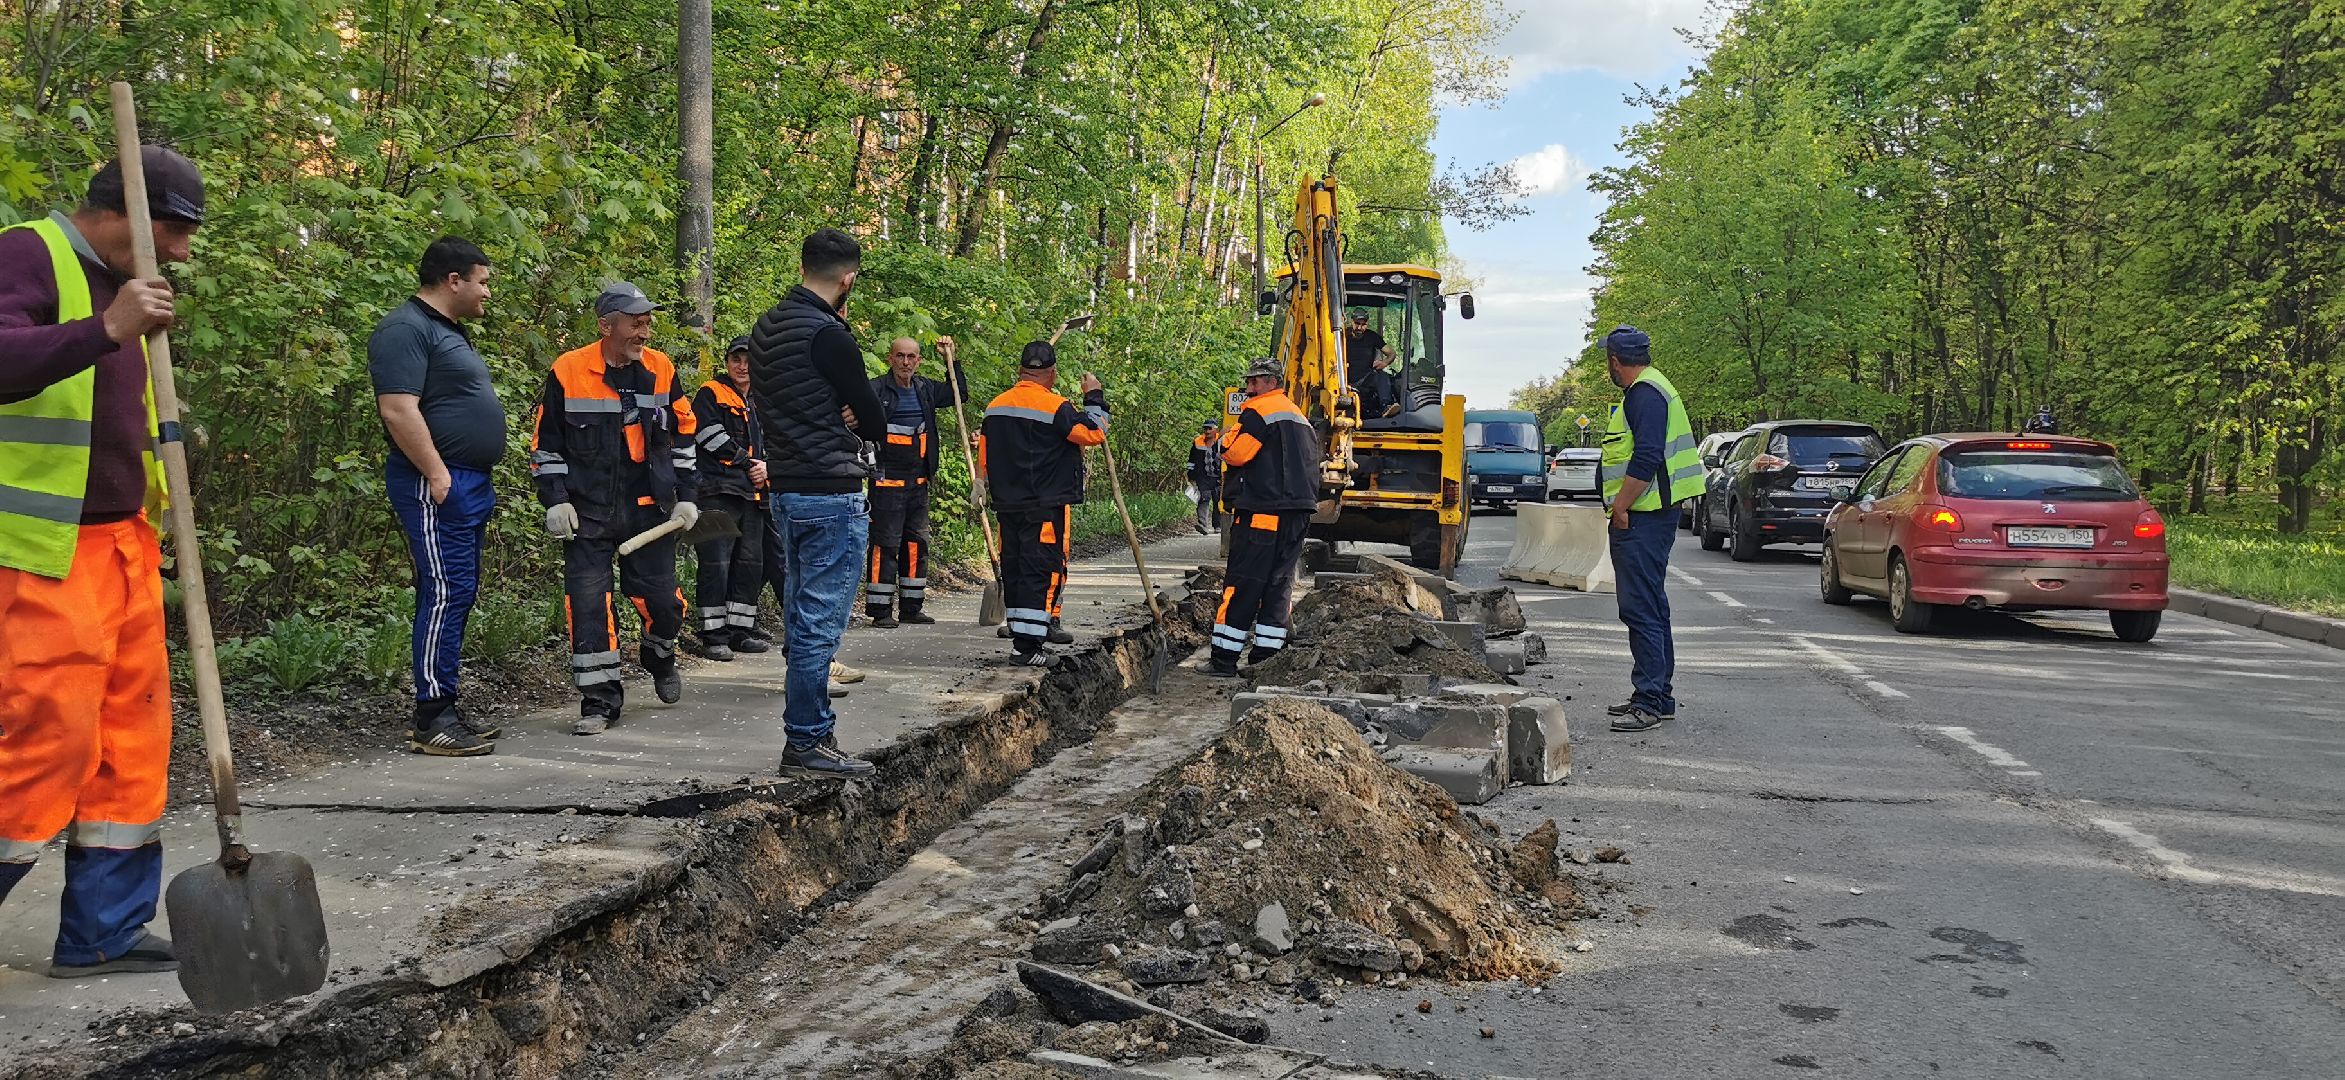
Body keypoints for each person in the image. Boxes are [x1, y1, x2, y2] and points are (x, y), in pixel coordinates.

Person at [0, 146, 202, 978]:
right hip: (40, 550)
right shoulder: (24, 254)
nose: (183, 251)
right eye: (173, 230)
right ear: (122, 211)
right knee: (42, 740)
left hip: (124, 543)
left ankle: (104, 930)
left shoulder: (136, 289)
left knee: (131, 740)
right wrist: (108, 328)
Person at [530, 282, 699, 735]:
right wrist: (556, 500)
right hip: (587, 513)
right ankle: (599, 702)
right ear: (606, 326)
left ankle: (659, 651)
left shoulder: (661, 368)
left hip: (649, 511)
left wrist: (687, 495)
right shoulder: (568, 370)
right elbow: (547, 445)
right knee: (587, 605)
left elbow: (684, 434)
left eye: (647, 322)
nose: (644, 332)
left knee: (664, 604)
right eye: (636, 323)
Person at [747, 228, 885, 777]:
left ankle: (809, 735)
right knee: (817, 626)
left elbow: (786, 405)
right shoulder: (829, 335)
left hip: (784, 490)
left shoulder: (765, 328)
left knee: (800, 616)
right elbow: (873, 418)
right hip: (830, 493)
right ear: (847, 279)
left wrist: (837, 409)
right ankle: (807, 740)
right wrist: (850, 414)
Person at [369, 236, 504, 756]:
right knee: (445, 590)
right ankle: (432, 716)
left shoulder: (448, 331)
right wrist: (437, 474)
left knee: (460, 590)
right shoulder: (406, 328)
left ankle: (444, 701)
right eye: (483, 281)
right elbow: (398, 408)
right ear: (454, 280)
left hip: (468, 481)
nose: (487, 292)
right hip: (436, 483)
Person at [1597, 326, 1700, 733]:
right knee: (1651, 606)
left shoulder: (1644, 394)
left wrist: (1621, 506)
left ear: (1615, 361)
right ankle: (1658, 695)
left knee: (1640, 608)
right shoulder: (1653, 388)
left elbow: (1647, 457)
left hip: (1644, 515)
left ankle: (1650, 700)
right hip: (1652, 513)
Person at [978, 341, 1107, 664]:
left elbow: (986, 448)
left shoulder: (996, 407)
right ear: (1051, 374)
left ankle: (1023, 638)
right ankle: (1028, 649)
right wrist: (1094, 397)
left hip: (1008, 504)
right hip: (1043, 504)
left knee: (1017, 568)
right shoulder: (1055, 407)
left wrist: (980, 481)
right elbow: (1094, 433)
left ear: (1021, 371)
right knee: (1039, 570)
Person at [1205, 358, 1318, 676]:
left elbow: (1237, 453)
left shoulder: (1259, 412)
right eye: (1248, 381)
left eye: (1254, 382)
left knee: (1243, 583)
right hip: (1297, 515)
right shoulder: (1299, 417)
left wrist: (1225, 440)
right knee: (1278, 584)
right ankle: (1266, 658)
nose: (1248, 388)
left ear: (1271, 381)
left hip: (1263, 514)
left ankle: (1223, 659)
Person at [863, 335, 967, 627]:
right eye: (900, 356)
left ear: (919, 360)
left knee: (916, 544)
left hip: (918, 481)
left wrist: (952, 360)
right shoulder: (875, 390)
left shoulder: (925, 389)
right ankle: (881, 610)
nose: (905, 362)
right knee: (886, 545)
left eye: (911, 357)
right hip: (886, 482)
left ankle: (912, 607)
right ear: (890, 358)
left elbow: (958, 395)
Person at [688, 335, 769, 661]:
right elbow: (708, 436)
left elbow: (776, 442)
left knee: (750, 565)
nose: (743, 366)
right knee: (714, 565)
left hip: (753, 496)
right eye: (736, 359)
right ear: (727, 362)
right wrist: (748, 463)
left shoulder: (763, 400)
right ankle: (713, 635)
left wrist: (768, 467)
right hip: (714, 493)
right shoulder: (710, 393)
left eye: (749, 360)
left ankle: (740, 631)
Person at [1343, 308, 1401, 419]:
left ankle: (1386, 406)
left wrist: (1384, 363)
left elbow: (1391, 353)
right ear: (1351, 321)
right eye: (1357, 324)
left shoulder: (1372, 337)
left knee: (1382, 375)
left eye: (1363, 324)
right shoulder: (1343, 336)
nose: (1359, 328)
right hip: (1344, 381)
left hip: (1365, 379)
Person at [1188, 421, 1223, 535]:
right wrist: (1191, 475)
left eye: (1209, 428)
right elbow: (1191, 460)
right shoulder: (1198, 442)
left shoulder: (1222, 440)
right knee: (1204, 498)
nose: (1207, 431)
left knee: (1218, 500)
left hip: (1218, 476)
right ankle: (1203, 525)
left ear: (1215, 430)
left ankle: (1218, 525)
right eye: (1205, 429)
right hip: (1203, 477)